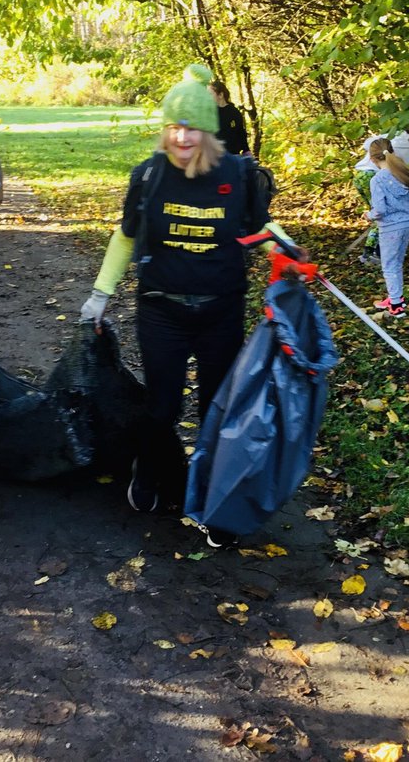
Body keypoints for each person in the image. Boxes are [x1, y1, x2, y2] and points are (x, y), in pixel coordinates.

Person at [79, 64, 298, 548]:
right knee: (162, 407)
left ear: (208, 129)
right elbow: (126, 236)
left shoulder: (237, 176)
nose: (181, 136)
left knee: (217, 409)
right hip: (162, 310)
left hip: (220, 310)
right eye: (173, 126)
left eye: (192, 127)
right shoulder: (150, 176)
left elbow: (259, 228)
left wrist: (289, 252)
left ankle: (214, 497)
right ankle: (150, 469)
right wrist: (100, 295)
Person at [365, 144, 409, 319]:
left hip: (390, 227)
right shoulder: (402, 173)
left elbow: (380, 209)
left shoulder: (377, 180)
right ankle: (394, 297)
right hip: (407, 223)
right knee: (396, 263)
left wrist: (369, 215)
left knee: (389, 265)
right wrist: (405, 210)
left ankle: (397, 307)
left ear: (373, 159)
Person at [209, 79, 250, 156]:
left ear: (221, 95)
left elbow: (240, 132)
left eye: (210, 94)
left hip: (232, 156)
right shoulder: (209, 114)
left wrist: (246, 150)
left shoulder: (234, 112)